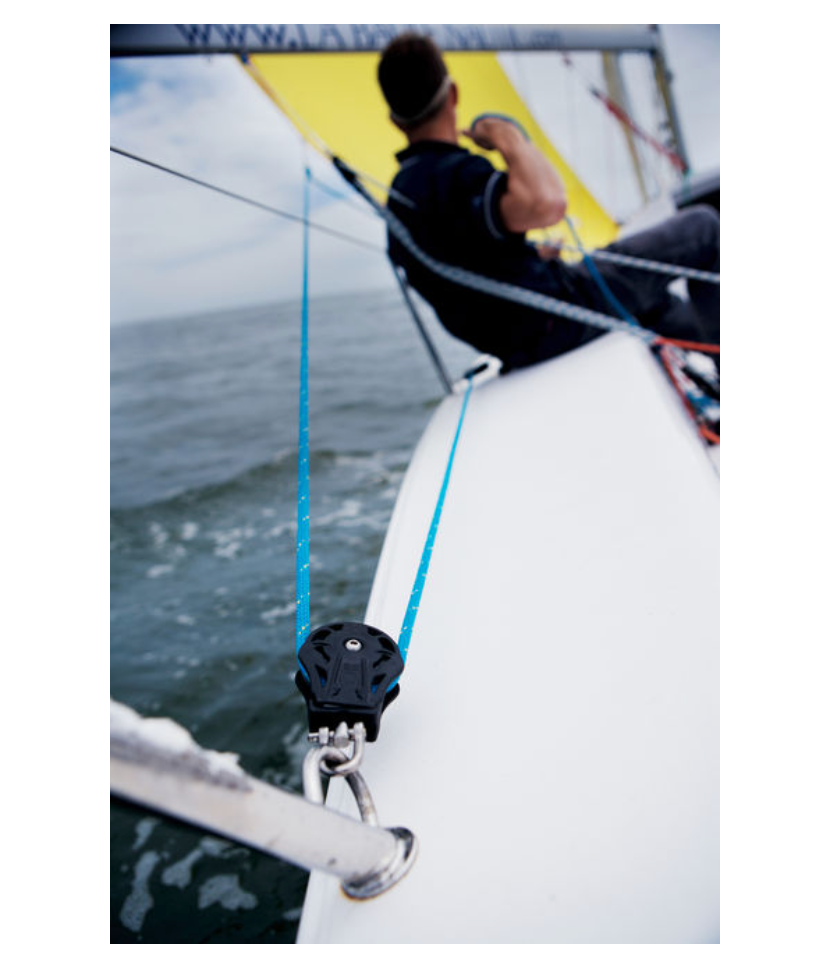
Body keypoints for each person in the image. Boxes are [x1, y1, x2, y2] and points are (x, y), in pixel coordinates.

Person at [376, 32, 719, 374]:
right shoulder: (458, 174)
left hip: (515, 339)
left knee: (655, 299)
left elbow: (464, 262)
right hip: (557, 317)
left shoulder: (399, 203)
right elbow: (549, 204)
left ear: (394, 120)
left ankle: (704, 374)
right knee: (703, 226)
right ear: (453, 94)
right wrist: (505, 135)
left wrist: (534, 255)